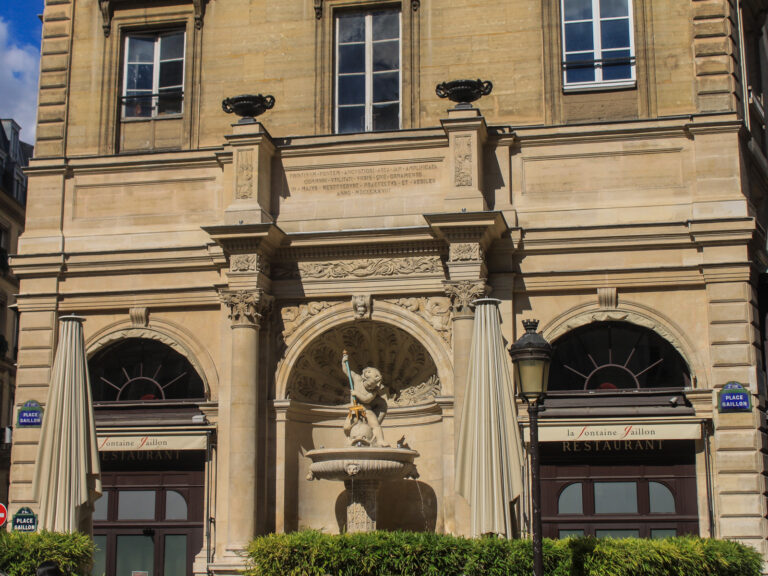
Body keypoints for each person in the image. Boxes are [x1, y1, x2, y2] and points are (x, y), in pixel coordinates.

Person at [342, 352, 389, 447]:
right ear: (364, 378)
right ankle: (349, 439)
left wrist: (356, 393)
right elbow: (347, 371)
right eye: (368, 385)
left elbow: (367, 399)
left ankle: (380, 440)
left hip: (367, 409)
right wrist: (344, 362)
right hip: (355, 409)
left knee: (375, 425)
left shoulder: (374, 392)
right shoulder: (357, 379)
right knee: (346, 428)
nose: (370, 388)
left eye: (372, 386)